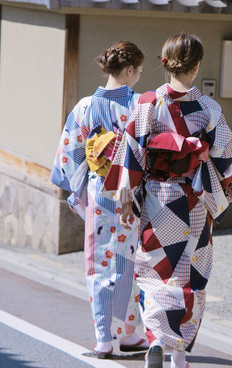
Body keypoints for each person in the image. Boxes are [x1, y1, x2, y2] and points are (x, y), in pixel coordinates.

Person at [103, 33, 232, 368]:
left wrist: (125, 202)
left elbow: (132, 154)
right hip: (194, 200)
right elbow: (223, 157)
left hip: (158, 200)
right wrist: (229, 187)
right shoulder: (208, 108)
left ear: (165, 63)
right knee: (189, 275)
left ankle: (156, 340)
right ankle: (178, 356)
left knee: (154, 270)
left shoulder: (148, 103)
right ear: (197, 66)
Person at [50, 41, 148, 358]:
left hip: (99, 193)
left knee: (101, 264)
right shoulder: (141, 107)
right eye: (139, 71)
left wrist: (84, 189)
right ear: (130, 69)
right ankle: (123, 333)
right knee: (129, 261)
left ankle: (114, 337)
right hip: (134, 196)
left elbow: (70, 157)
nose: (139, 77)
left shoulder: (84, 107)